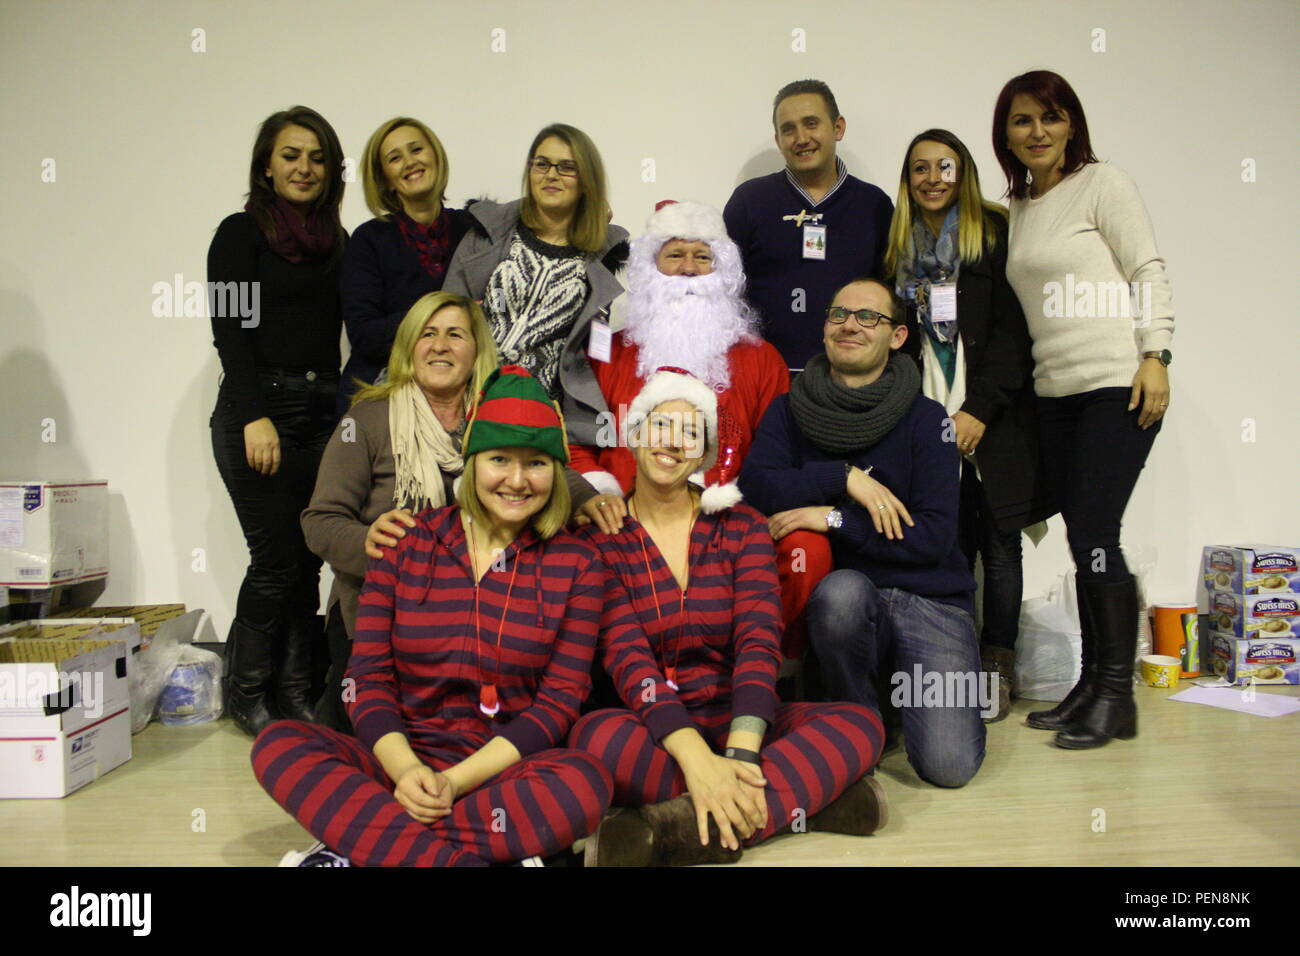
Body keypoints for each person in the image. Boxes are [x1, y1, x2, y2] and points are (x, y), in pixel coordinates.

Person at [253, 366, 615, 866]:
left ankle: (367, 846)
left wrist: (452, 783)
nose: (516, 479)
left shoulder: (578, 563)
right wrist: (405, 772)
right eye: (499, 459)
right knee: (280, 744)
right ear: (471, 460)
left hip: (500, 775)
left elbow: (557, 704)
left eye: (536, 462)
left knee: (585, 783)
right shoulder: (406, 543)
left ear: (557, 472)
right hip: (400, 763)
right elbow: (367, 678)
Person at [571, 369, 887, 867]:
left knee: (862, 725)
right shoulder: (600, 541)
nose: (671, 443)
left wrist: (739, 754)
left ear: (705, 454)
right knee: (595, 739)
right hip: (653, 729)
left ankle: (670, 826)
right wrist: (697, 760)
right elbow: (628, 659)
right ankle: (798, 805)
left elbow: (760, 643)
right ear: (634, 435)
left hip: (743, 718)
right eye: (659, 426)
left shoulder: (740, 527)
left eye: (689, 433)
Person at [301, 293, 617, 733]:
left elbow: (543, 461)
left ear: (477, 348)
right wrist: (367, 541)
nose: (441, 345)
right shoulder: (368, 421)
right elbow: (320, 521)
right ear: (409, 346)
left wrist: (587, 498)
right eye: (427, 334)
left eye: (455, 334)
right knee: (357, 733)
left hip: (492, 603)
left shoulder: (496, 408)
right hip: (382, 603)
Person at [739, 279, 987, 789]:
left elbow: (933, 539)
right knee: (840, 596)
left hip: (931, 598)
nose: (849, 325)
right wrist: (842, 477)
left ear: (897, 337)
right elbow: (758, 486)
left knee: (949, 767)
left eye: (868, 318)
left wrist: (831, 517)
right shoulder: (789, 410)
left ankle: (907, 705)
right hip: (851, 592)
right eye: (838, 314)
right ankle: (859, 722)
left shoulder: (927, 420)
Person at [994, 70, 1174, 749]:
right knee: (1082, 538)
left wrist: (1156, 354)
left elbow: (1147, 269)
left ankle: (1115, 695)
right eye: (1022, 120)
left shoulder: (1105, 184)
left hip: (1114, 384)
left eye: (1050, 116)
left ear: (1072, 123)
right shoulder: (1022, 207)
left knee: (1097, 534)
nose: (1036, 131)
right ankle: (1093, 685)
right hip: (1055, 395)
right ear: (1005, 135)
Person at [569, 199, 823, 658]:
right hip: (628, 521)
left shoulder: (760, 358)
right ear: (649, 268)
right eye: (674, 255)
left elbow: (779, 454)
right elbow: (578, 438)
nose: (688, 269)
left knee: (810, 551)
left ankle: (751, 660)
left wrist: (751, 516)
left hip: (728, 526)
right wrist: (596, 493)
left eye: (702, 256)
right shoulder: (609, 354)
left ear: (721, 269)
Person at [885, 128, 1042, 721]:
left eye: (944, 168)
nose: (932, 179)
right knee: (945, 541)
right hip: (925, 409)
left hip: (992, 413)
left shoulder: (994, 236)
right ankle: (952, 661)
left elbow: (1012, 334)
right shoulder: (896, 244)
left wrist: (979, 409)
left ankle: (999, 661)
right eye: (920, 168)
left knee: (999, 544)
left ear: (964, 174)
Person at [208, 105, 347, 737]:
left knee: (307, 558)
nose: (304, 168)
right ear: (266, 165)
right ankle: (245, 691)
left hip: (320, 412)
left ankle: (294, 693)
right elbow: (229, 333)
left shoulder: (335, 242)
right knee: (274, 561)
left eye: (317, 157)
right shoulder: (239, 234)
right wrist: (254, 415)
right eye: (291, 155)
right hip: (258, 411)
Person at [444, 123, 627, 448]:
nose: (551, 175)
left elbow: (587, 352)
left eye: (567, 167)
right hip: (469, 399)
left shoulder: (600, 257)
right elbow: (445, 317)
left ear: (587, 180)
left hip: (542, 414)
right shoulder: (487, 233)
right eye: (541, 164)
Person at [723, 79, 894, 371]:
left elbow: (890, 297)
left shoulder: (874, 204)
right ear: (778, 140)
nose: (801, 138)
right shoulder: (749, 200)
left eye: (811, 123)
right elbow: (723, 292)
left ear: (838, 127)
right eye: (788, 129)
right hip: (765, 379)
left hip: (852, 379)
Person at [338, 118, 471, 413]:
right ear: (384, 177)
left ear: (435, 155)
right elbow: (364, 335)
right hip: (383, 398)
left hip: (460, 402)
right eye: (395, 158)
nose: (410, 162)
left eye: (416, 150)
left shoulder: (473, 229)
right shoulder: (369, 240)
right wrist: (441, 317)